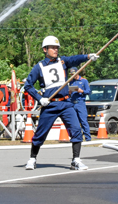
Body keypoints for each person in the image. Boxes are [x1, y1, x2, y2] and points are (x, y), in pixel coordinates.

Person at [23, 35, 99, 170]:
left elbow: (74, 59)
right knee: (41, 133)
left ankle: (76, 160)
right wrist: (40, 99)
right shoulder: (39, 67)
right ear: (45, 49)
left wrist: (87, 56)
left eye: (57, 47)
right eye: (53, 47)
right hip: (50, 104)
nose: (56, 50)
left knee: (76, 129)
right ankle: (32, 159)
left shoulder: (62, 61)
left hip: (66, 104)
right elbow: (28, 85)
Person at [69, 67, 92, 141]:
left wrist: (81, 91)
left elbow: (88, 91)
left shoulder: (84, 81)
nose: (73, 75)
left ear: (77, 72)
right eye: (71, 74)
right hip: (72, 103)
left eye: (74, 74)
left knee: (83, 120)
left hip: (80, 102)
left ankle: (88, 137)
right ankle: (77, 137)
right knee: (74, 122)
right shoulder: (70, 81)